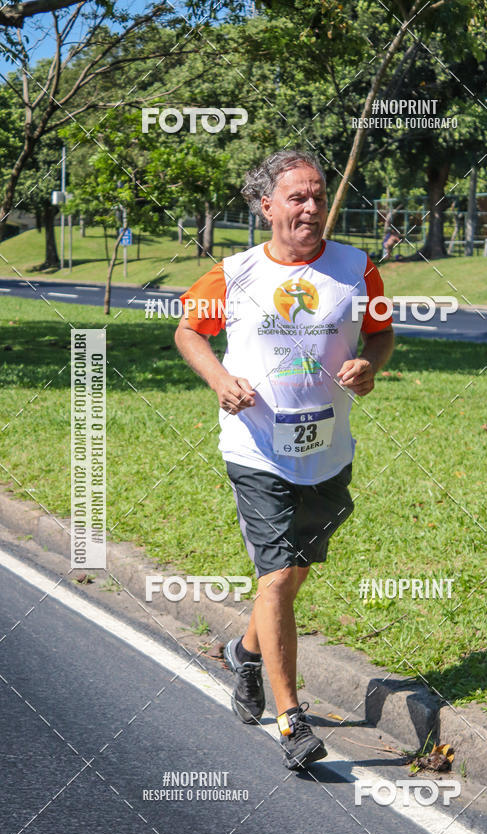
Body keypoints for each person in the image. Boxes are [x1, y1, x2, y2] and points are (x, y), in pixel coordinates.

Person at [174, 149, 394, 770]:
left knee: (294, 575)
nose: (311, 207)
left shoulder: (356, 268)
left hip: (326, 451)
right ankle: (291, 720)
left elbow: (380, 332)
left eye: (318, 195)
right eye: (296, 197)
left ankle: (244, 652)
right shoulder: (236, 273)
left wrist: (368, 366)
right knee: (275, 577)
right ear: (265, 205)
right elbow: (190, 331)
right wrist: (219, 379)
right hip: (256, 448)